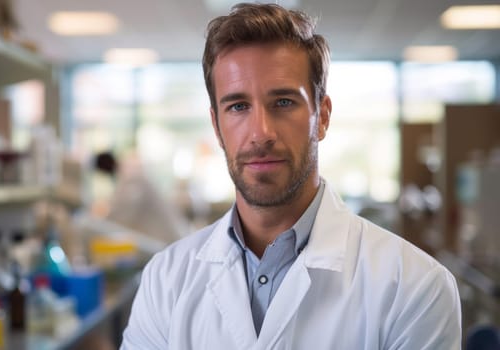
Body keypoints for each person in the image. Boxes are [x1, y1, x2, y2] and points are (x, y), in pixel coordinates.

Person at [121, 3, 461, 349]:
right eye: (238, 106)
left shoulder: (416, 287)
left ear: (322, 116)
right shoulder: (165, 279)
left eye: (283, 102)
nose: (261, 133)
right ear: (217, 126)